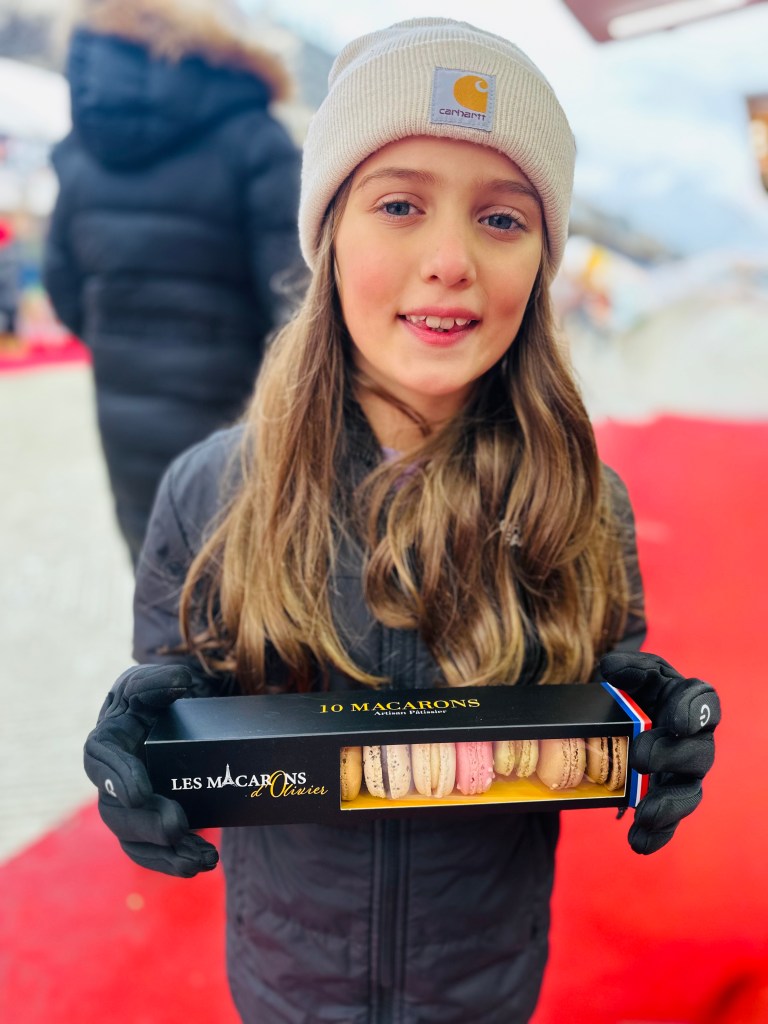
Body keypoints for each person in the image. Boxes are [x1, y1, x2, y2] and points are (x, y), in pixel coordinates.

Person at [83, 18, 720, 1023]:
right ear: (330, 230)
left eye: (503, 220)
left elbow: (593, 703)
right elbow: (180, 695)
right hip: (288, 973)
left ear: (543, 264)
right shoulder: (209, 492)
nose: (451, 259)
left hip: (486, 974)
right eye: (399, 204)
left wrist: (639, 728)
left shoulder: (585, 501)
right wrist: (144, 742)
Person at [43, 0, 302, 567]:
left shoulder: (81, 151)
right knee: (250, 591)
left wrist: (125, 341)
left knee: (158, 575)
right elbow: (297, 300)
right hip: (240, 421)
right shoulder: (255, 136)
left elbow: (62, 283)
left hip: (124, 413)